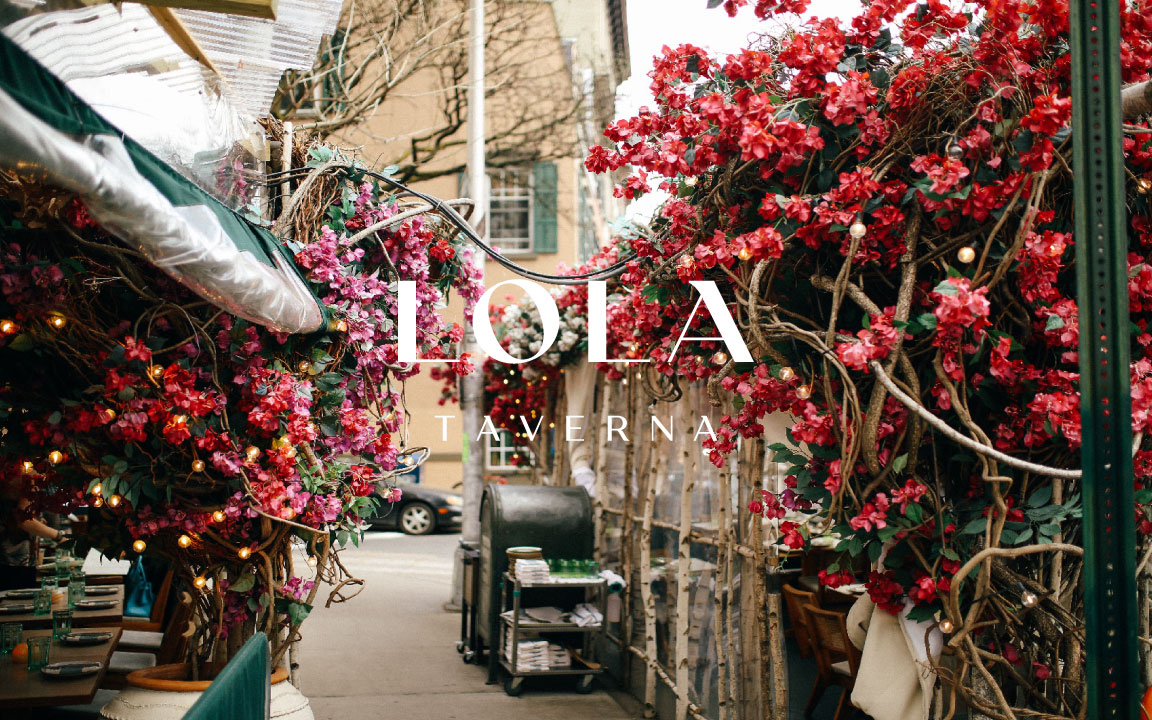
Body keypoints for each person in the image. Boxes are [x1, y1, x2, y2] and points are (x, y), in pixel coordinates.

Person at [1, 495, 66, 591]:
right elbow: (24, 519)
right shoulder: (27, 481)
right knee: (16, 600)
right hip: (12, 561)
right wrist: (59, 537)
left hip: (15, 560)